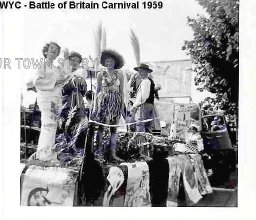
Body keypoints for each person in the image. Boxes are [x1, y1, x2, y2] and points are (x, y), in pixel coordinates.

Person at [33, 42, 67, 161]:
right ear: (46, 51)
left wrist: (66, 59)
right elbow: (37, 82)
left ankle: (46, 152)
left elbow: (65, 75)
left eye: (57, 50)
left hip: (55, 99)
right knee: (48, 124)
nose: (54, 50)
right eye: (52, 48)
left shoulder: (56, 68)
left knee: (52, 126)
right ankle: (45, 155)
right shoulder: (42, 64)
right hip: (47, 99)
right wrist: (54, 82)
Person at [91, 49, 125, 162]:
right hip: (103, 101)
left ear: (115, 62)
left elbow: (121, 92)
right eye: (107, 61)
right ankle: (99, 153)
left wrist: (121, 106)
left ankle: (113, 154)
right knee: (100, 127)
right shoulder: (101, 74)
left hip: (115, 102)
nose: (109, 63)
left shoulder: (120, 75)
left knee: (114, 129)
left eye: (111, 61)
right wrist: (95, 106)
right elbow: (97, 91)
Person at [130, 64, 155, 133]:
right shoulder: (146, 81)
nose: (139, 73)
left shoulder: (145, 82)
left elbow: (143, 96)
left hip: (144, 105)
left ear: (146, 72)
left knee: (140, 124)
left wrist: (135, 106)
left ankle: (140, 141)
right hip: (147, 104)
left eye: (141, 71)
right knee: (146, 125)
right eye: (139, 71)